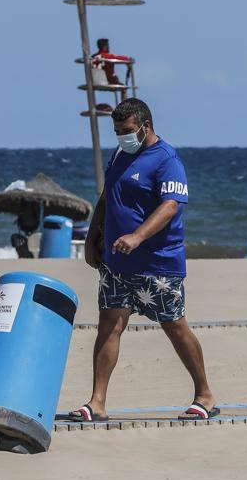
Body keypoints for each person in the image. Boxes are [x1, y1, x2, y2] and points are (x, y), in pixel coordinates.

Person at [69, 98, 217, 422]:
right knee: (109, 327)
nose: (122, 136)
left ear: (145, 126)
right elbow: (107, 197)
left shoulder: (167, 160)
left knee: (174, 326)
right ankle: (97, 402)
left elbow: (170, 206)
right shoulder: (121, 154)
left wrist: (137, 236)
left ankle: (204, 394)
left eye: (127, 130)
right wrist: (92, 238)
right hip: (117, 264)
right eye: (117, 131)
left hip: (158, 263)